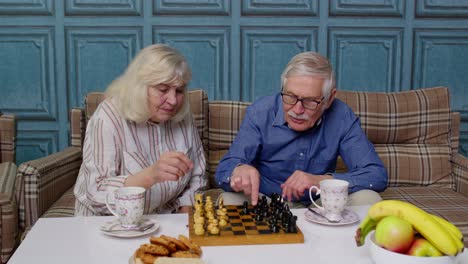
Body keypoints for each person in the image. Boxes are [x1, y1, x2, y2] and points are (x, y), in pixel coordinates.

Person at [215, 52, 388, 207]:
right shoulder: (261, 112)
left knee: (369, 199)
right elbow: (224, 170)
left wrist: (322, 181)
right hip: (268, 202)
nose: (297, 110)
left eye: (310, 101)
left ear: (329, 98)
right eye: (290, 96)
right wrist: (238, 170)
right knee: (229, 200)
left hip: (321, 203)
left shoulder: (342, 116)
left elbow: (376, 175)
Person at [74, 44, 207, 215]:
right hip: (108, 222)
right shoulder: (108, 117)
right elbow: (96, 193)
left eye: (179, 90)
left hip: (163, 219)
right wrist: (151, 175)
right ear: (140, 87)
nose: (173, 100)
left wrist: (186, 210)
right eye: (163, 89)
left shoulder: (182, 114)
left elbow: (198, 174)